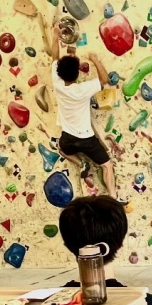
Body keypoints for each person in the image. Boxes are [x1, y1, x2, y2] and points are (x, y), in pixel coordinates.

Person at [47, 16, 118, 199]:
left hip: (68, 138)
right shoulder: (82, 89)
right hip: (86, 139)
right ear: (77, 74)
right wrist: (95, 60)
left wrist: (55, 36)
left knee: (61, 148)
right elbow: (105, 80)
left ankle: (81, 163)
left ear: (60, 73)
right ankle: (112, 197)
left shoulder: (57, 83)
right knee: (107, 166)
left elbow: (54, 57)